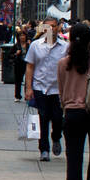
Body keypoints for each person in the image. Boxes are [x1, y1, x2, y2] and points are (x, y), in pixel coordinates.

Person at [57, 21, 90, 180]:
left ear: (70, 40)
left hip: (72, 114)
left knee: (74, 162)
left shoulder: (63, 63)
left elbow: (61, 91)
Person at [25, 17, 69, 162]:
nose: (52, 29)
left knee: (57, 118)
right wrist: (28, 88)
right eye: (48, 26)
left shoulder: (65, 47)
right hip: (40, 88)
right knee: (42, 118)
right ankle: (44, 149)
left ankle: (56, 137)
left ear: (58, 28)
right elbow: (30, 67)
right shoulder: (35, 46)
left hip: (58, 89)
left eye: (54, 26)